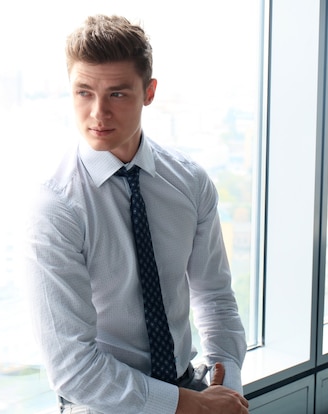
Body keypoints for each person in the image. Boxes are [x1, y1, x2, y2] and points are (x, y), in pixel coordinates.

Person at [26, 14, 248, 414]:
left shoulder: (190, 182)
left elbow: (214, 297)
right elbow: (72, 367)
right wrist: (191, 407)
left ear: (149, 92)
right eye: (83, 93)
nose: (98, 113)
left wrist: (225, 385)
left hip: (191, 387)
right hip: (103, 404)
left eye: (117, 94)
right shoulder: (56, 206)